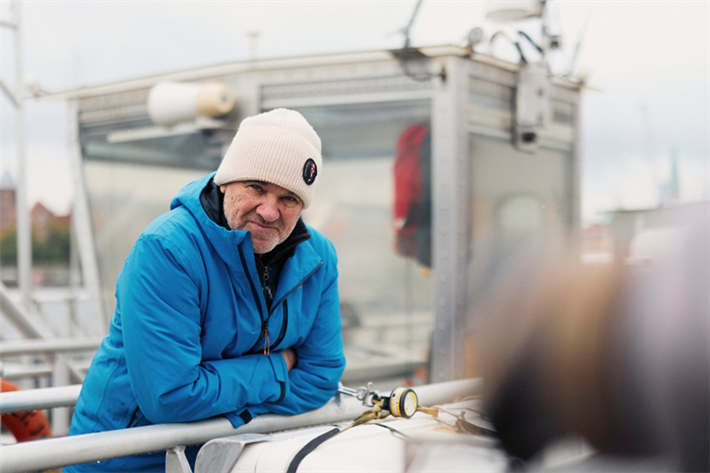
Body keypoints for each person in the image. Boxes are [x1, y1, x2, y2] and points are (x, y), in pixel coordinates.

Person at [66, 109, 346, 473]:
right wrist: (280, 366)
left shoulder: (318, 257)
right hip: (127, 458)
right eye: (257, 187)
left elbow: (321, 378)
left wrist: (224, 404)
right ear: (226, 181)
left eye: (289, 198)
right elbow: (171, 397)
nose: (269, 211)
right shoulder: (167, 249)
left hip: (238, 456)